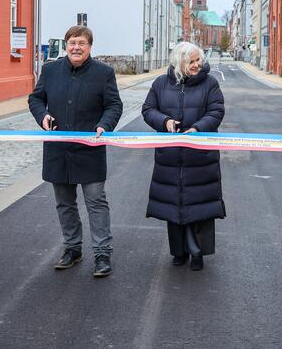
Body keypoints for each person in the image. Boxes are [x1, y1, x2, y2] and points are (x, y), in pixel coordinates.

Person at [28, 26, 123, 278]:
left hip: (89, 149)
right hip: (58, 150)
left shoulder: (103, 73)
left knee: (96, 202)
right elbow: (35, 99)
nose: (76, 47)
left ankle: (102, 253)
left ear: (90, 47)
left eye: (81, 43)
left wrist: (105, 125)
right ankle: (72, 249)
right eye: (72, 43)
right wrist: (43, 116)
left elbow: (114, 105)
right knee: (64, 203)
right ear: (66, 45)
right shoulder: (50, 70)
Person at [142, 42, 226, 271]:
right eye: (192, 61)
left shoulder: (210, 84)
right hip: (170, 157)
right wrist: (165, 121)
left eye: (199, 60)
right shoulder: (161, 84)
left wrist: (198, 129)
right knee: (173, 203)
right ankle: (178, 251)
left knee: (199, 205)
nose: (198, 64)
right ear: (179, 62)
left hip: (200, 156)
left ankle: (197, 251)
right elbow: (148, 109)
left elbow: (216, 111)